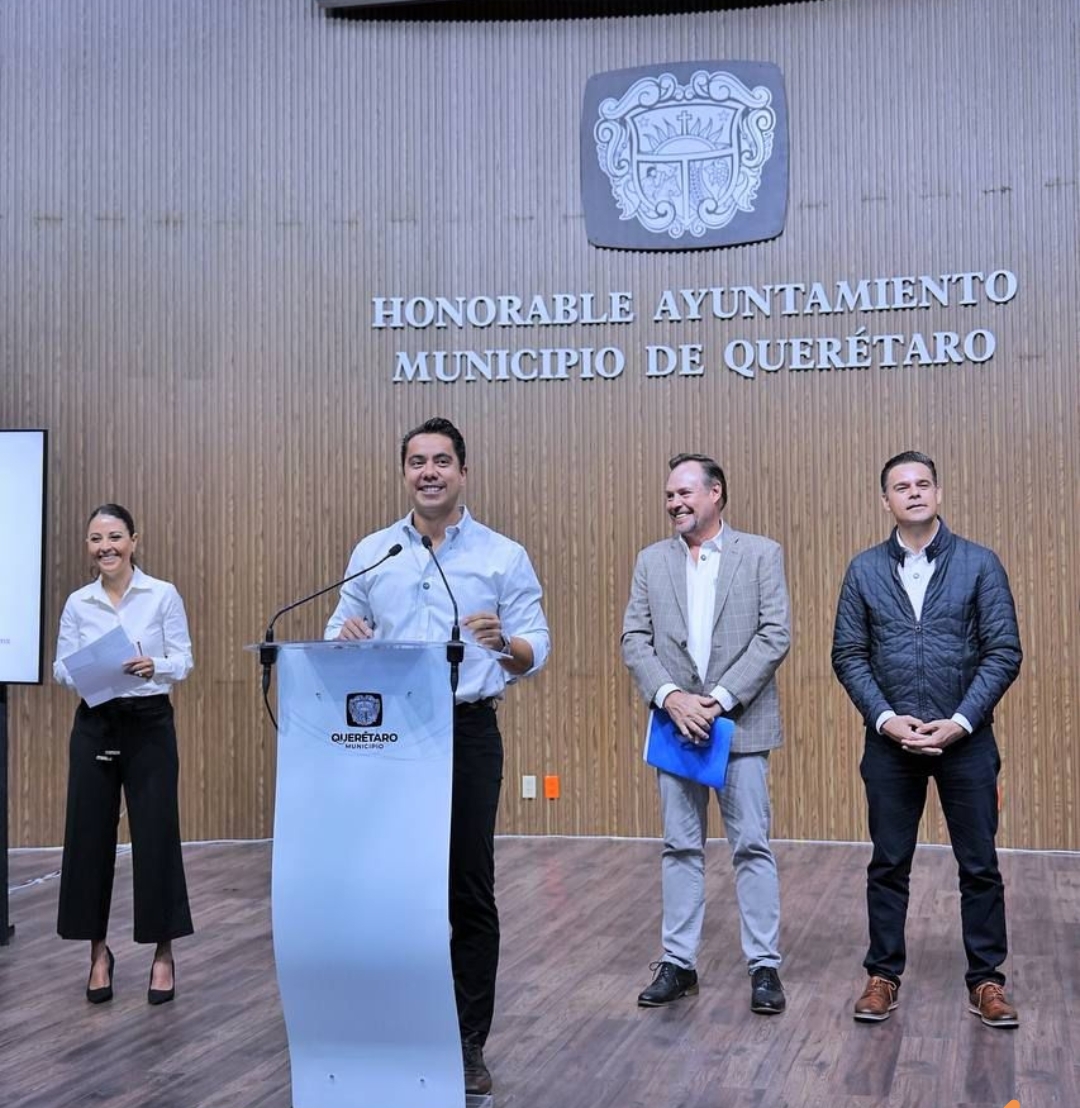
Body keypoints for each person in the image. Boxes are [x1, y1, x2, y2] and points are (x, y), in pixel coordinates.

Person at [325, 417, 550, 1095]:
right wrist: (345, 636)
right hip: (389, 737)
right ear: (404, 473)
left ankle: (465, 1041)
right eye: (418, 461)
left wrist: (505, 644)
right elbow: (338, 629)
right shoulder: (376, 552)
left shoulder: (502, 555)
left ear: (463, 473)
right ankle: (398, 1030)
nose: (429, 472)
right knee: (394, 887)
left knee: (466, 889)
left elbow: (537, 646)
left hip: (467, 733)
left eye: (442, 461)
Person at [831, 450, 1022, 1028]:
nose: (913, 492)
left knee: (979, 865)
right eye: (901, 486)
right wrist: (885, 718)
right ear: (884, 501)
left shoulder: (980, 564)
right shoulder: (864, 570)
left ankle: (987, 980)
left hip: (968, 741)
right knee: (888, 863)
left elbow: (1003, 651)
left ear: (938, 494)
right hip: (890, 744)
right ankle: (882, 976)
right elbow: (848, 654)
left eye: (923, 484)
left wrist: (961, 720)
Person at [621, 454, 791, 1015]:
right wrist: (672, 697)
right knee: (679, 847)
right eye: (669, 495)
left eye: (684, 493)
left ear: (715, 493)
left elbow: (774, 635)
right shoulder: (651, 561)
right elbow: (634, 639)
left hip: (738, 724)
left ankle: (764, 967)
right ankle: (678, 964)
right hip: (675, 725)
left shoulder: (761, 554)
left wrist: (716, 701)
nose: (674, 503)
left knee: (752, 846)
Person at [54, 503, 194, 1005]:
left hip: (148, 722)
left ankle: (163, 953)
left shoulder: (162, 594)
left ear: (134, 540)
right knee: (88, 838)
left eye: (114, 537)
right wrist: (88, 669)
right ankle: (98, 953)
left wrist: (154, 665)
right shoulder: (79, 602)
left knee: (156, 836)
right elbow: (61, 668)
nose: (105, 547)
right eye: (96, 539)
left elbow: (184, 660)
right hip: (97, 722)